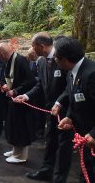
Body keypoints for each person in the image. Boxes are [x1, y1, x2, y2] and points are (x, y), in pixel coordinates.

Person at [14, 32, 73, 182]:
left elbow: (70, 86)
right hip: (49, 111)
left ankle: (60, 178)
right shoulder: (40, 62)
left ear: (42, 46)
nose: (33, 50)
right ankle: (46, 171)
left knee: (64, 146)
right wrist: (26, 96)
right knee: (50, 140)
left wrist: (59, 102)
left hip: (65, 112)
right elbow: (40, 84)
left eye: (34, 47)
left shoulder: (62, 59)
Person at [52, 37, 95, 182]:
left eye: (56, 56)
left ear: (64, 59)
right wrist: (69, 116)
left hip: (92, 135)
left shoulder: (91, 74)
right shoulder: (72, 71)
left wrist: (94, 134)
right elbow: (74, 96)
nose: (55, 59)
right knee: (86, 170)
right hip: (84, 134)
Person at [0, 43, 36, 164]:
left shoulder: (20, 60)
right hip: (13, 100)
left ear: (2, 54)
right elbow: (9, 79)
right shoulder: (9, 61)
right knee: (13, 126)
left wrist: (16, 90)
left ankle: (21, 156)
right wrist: (4, 85)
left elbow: (31, 81)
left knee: (20, 128)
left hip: (22, 100)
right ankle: (15, 151)